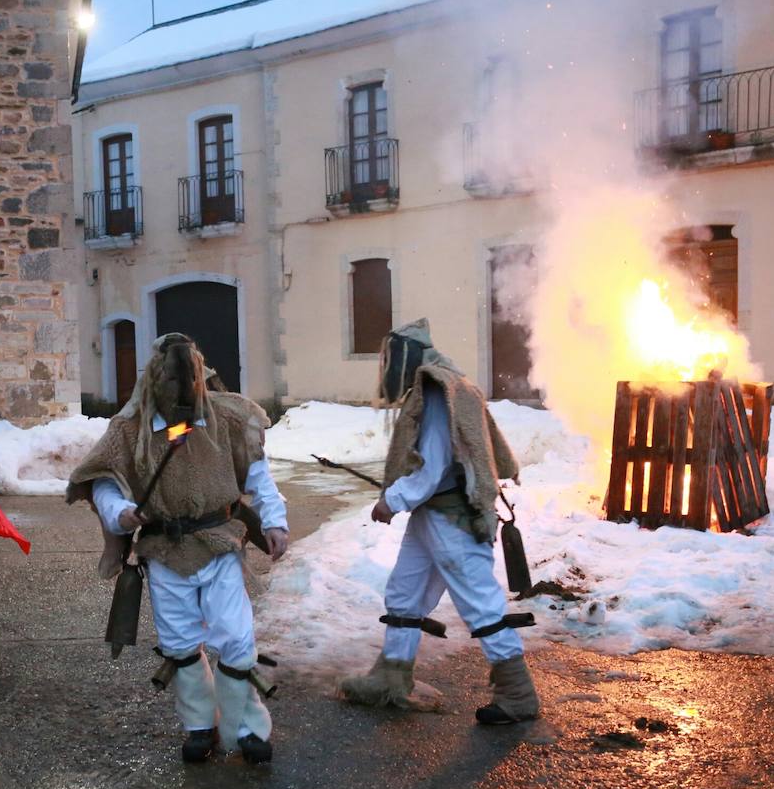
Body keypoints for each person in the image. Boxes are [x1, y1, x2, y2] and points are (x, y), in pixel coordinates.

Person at [67, 333, 290, 764]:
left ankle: (247, 728)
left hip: (219, 542)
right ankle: (199, 725)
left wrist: (275, 521)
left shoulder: (227, 419)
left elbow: (258, 473)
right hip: (165, 549)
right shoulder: (128, 430)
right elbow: (102, 483)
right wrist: (123, 513)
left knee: (237, 639)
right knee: (180, 643)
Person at [339, 319, 540, 724]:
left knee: (480, 603)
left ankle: (518, 694)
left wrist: (391, 501)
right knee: (404, 593)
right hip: (434, 514)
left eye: (391, 357)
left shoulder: (436, 390)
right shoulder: (451, 383)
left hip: (451, 516)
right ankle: (391, 678)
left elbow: (431, 468)